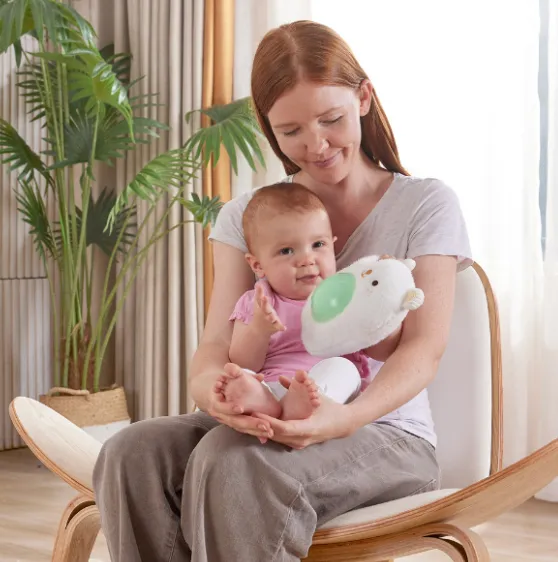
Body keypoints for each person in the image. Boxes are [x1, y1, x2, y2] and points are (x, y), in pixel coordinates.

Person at [93, 19, 472, 562]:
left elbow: (423, 348)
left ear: (364, 99)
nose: (316, 145)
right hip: (270, 408)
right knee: (131, 452)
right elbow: (216, 346)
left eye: (331, 119)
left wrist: (342, 418)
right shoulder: (247, 217)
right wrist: (212, 395)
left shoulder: (426, 204)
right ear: (269, 129)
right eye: (291, 131)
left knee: (233, 462)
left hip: (384, 432)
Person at [217, 182, 368, 422]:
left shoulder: (346, 295)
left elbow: (373, 337)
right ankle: (268, 405)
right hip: (270, 388)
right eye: (287, 251)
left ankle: (305, 404)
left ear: (333, 246)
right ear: (257, 265)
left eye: (318, 245)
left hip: (325, 390)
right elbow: (243, 361)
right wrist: (259, 330)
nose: (307, 259)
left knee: (344, 369)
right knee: (241, 376)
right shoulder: (259, 302)